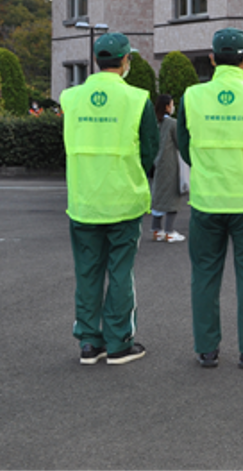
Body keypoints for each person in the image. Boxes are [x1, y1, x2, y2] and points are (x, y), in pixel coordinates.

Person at [178, 28, 243, 370]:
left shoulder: (191, 96)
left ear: (211, 58)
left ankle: (206, 349)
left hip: (207, 199)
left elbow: (184, 145)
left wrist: (208, 167)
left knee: (204, 274)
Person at [60, 32, 158, 365]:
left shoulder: (70, 98)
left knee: (87, 272)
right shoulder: (137, 98)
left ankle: (89, 342)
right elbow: (149, 151)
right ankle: (118, 343)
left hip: (84, 199)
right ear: (126, 60)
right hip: (123, 200)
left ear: (96, 59)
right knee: (120, 272)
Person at [149, 94, 186, 243]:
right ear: (166, 107)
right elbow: (180, 142)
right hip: (170, 163)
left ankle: (156, 230)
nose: (173, 107)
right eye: (171, 104)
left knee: (158, 196)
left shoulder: (154, 122)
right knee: (172, 197)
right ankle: (170, 232)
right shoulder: (172, 123)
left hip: (157, 163)